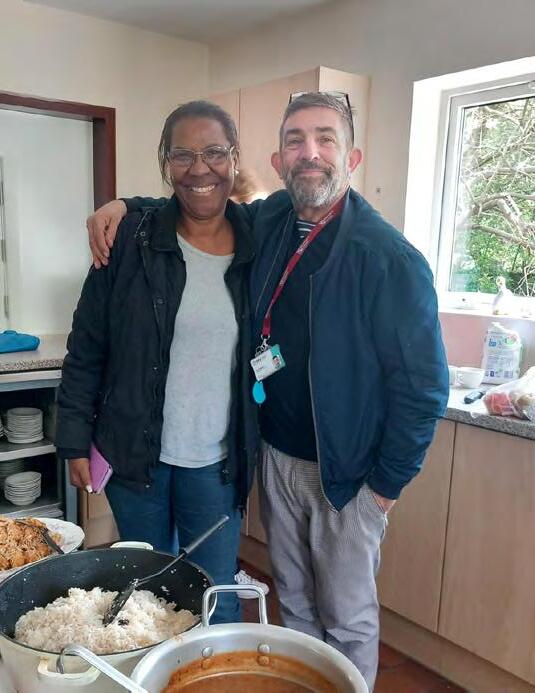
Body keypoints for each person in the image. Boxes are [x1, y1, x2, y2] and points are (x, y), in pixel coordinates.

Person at [86, 92, 449, 689]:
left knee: (348, 616)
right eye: (295, 140)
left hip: (348, 473)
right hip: (276, 456)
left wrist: (385, 487)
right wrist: (123, 206)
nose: (310, 153)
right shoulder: (272, 221)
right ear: (278, 161)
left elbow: (425, 387)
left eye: (325, 139)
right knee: (295, 602)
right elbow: (197, 199)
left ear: (352, 156)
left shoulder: (389, 259)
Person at [56, 100, 260, 625]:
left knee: (215, 599)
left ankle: (212, 669)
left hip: (217, 465)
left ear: (234, 159)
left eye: (214, 152)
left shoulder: (259, 241)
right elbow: (87, 346)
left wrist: (123, 201)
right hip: (135, 458)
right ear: (166, 163)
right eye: (182, 155)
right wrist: (73, 438)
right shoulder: (130, 238)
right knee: (148, 598)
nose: (199, 168)